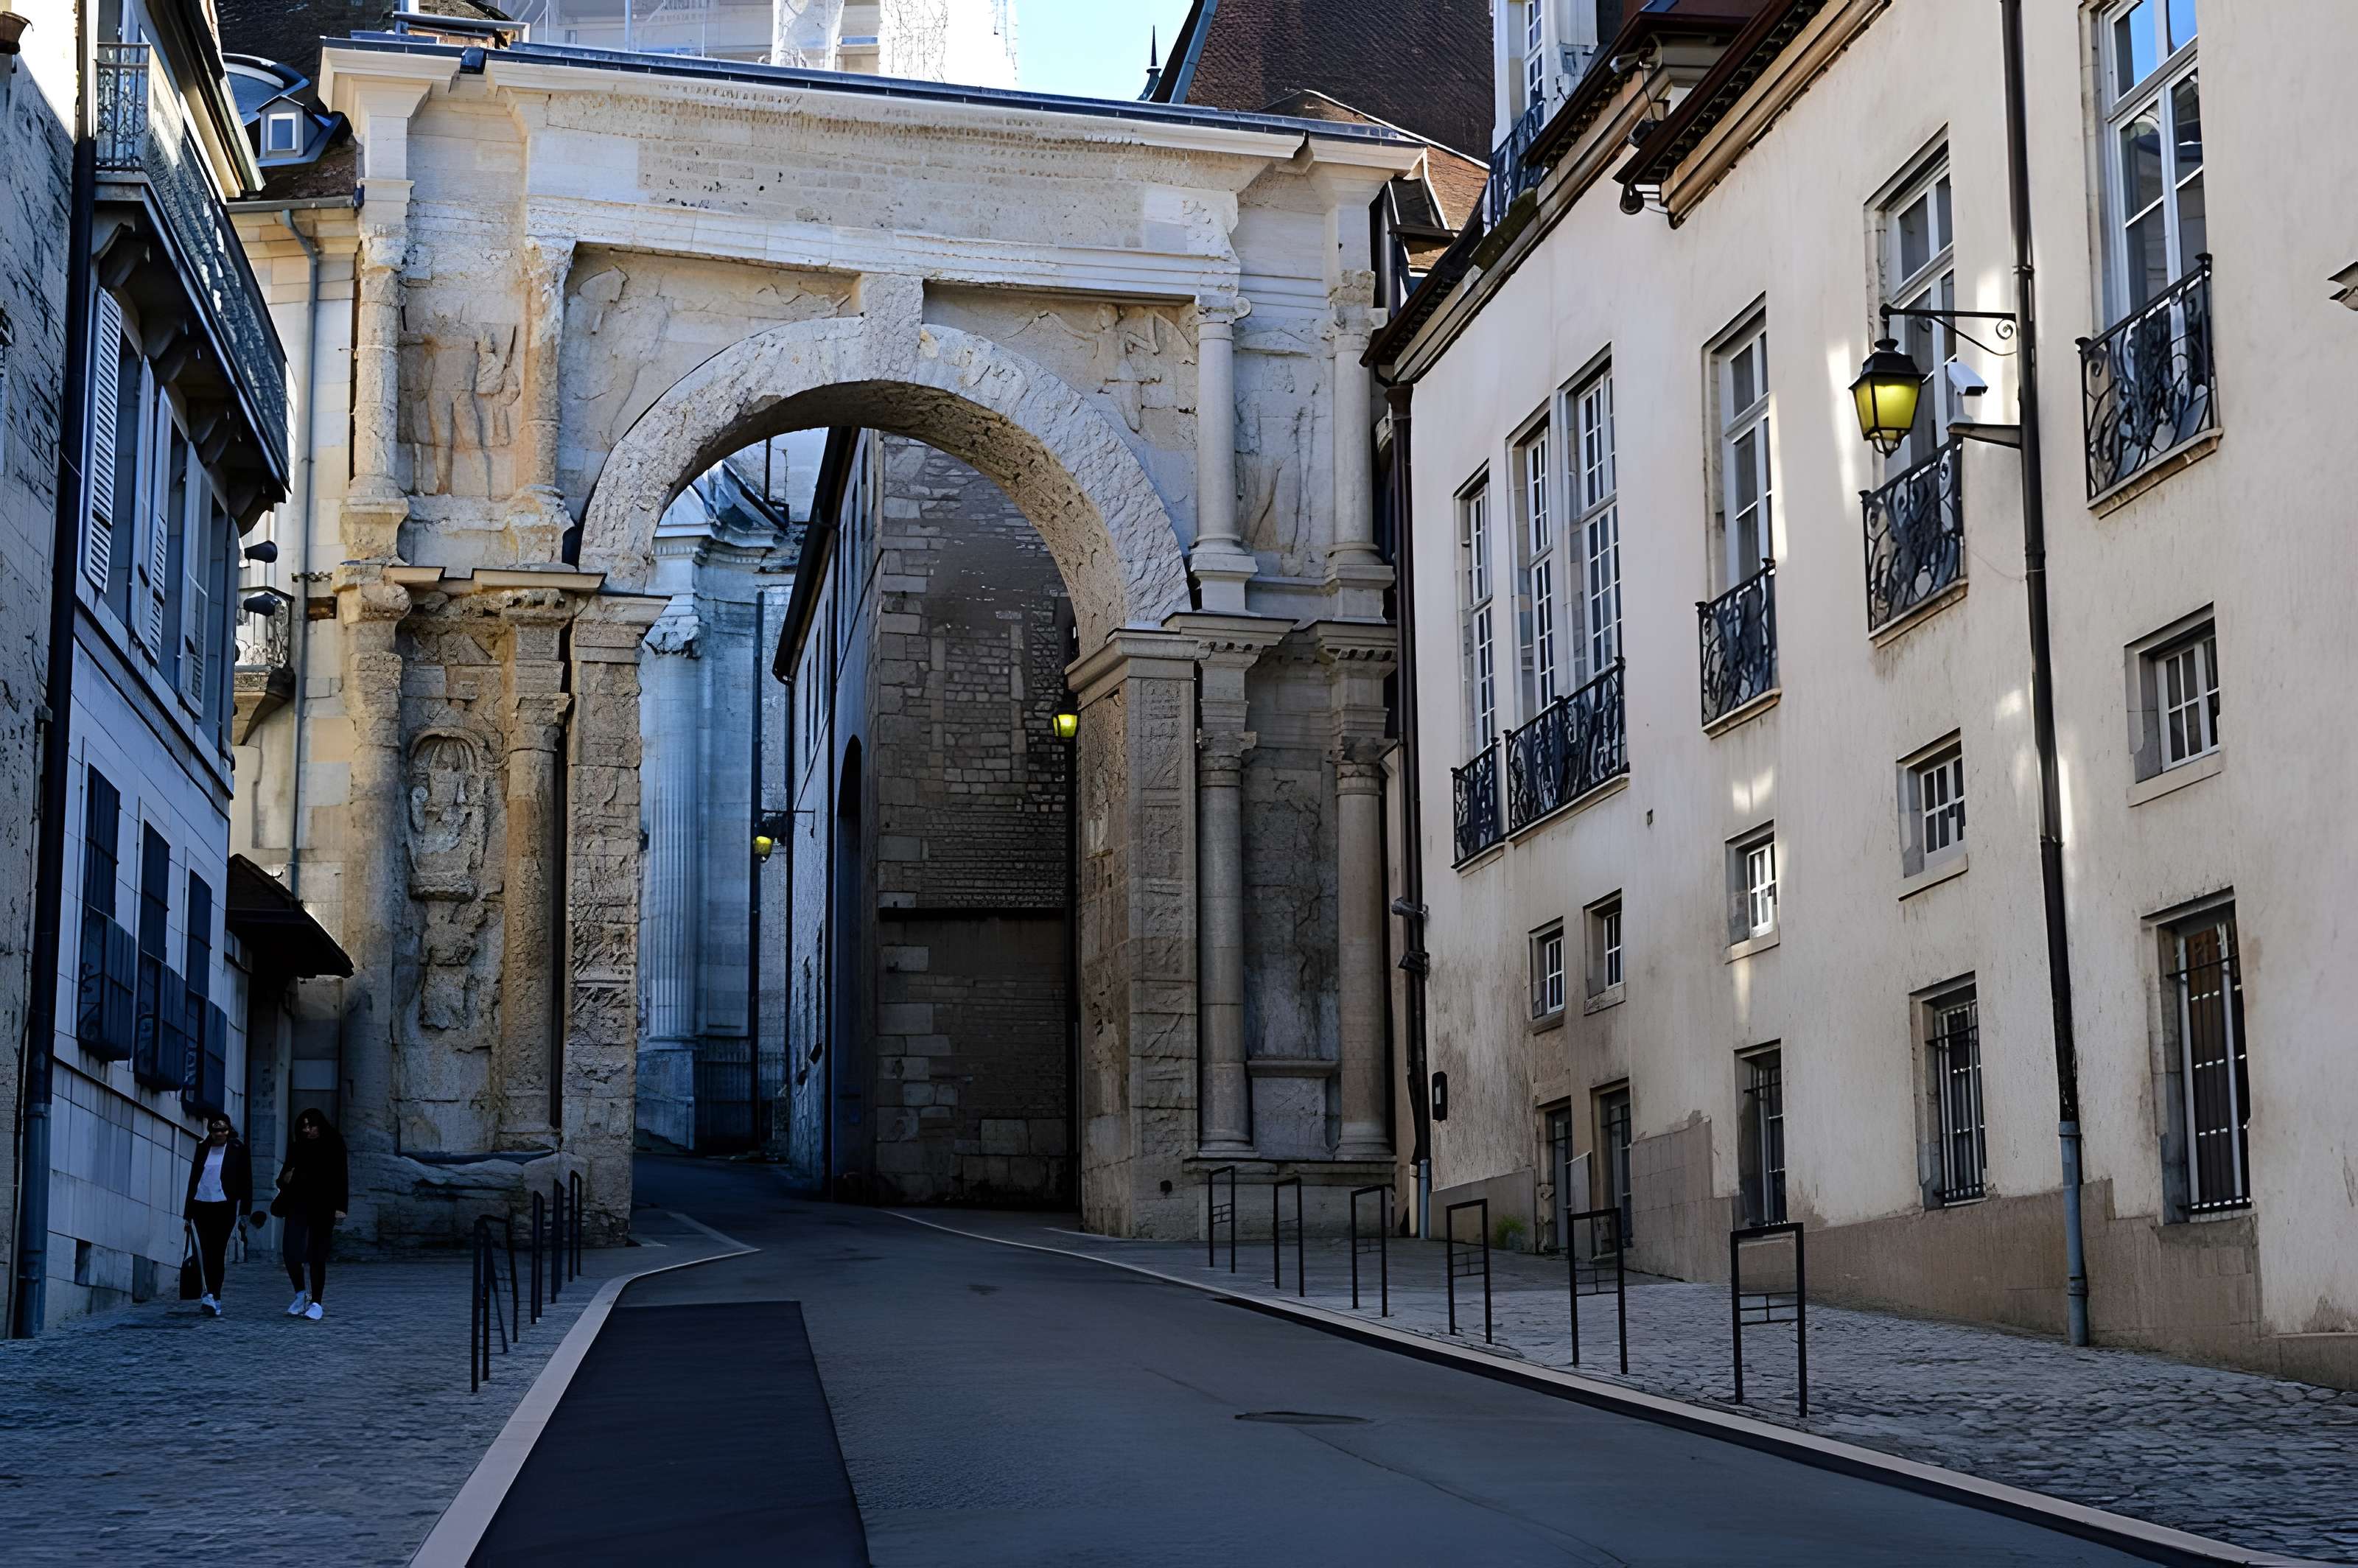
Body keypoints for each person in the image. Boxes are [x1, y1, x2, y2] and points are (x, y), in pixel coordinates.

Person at [276, 1109, 349, 1320]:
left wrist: (341, 1207)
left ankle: (317, 1302)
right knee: (290, 1250)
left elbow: (342, 1176)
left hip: (324, 1205)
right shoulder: (297, 1146)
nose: (307, 1130)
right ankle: (300, 1294)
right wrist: (286, 1178)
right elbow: (283, 1178)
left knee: (317, 1254)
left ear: (320, 1125)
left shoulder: (334, 1143)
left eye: (311, 1125)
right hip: (297, 1204)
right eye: (304, 1126)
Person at [182, 1113, 252, 1317]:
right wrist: (187, 1213)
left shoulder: (238, 1149)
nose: (219, 1134)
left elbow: (246, 1181)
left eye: (223, 1130)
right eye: (215, 1130)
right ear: (210, 1131)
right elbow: (194, 1179)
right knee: (205, 1251)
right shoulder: (202, 1148)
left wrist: (245, 1210)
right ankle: (209, 1294)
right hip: (201, 1205)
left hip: (224, 1206)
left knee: (217, 1251)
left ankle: (215, 1294)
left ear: (229, 1131)